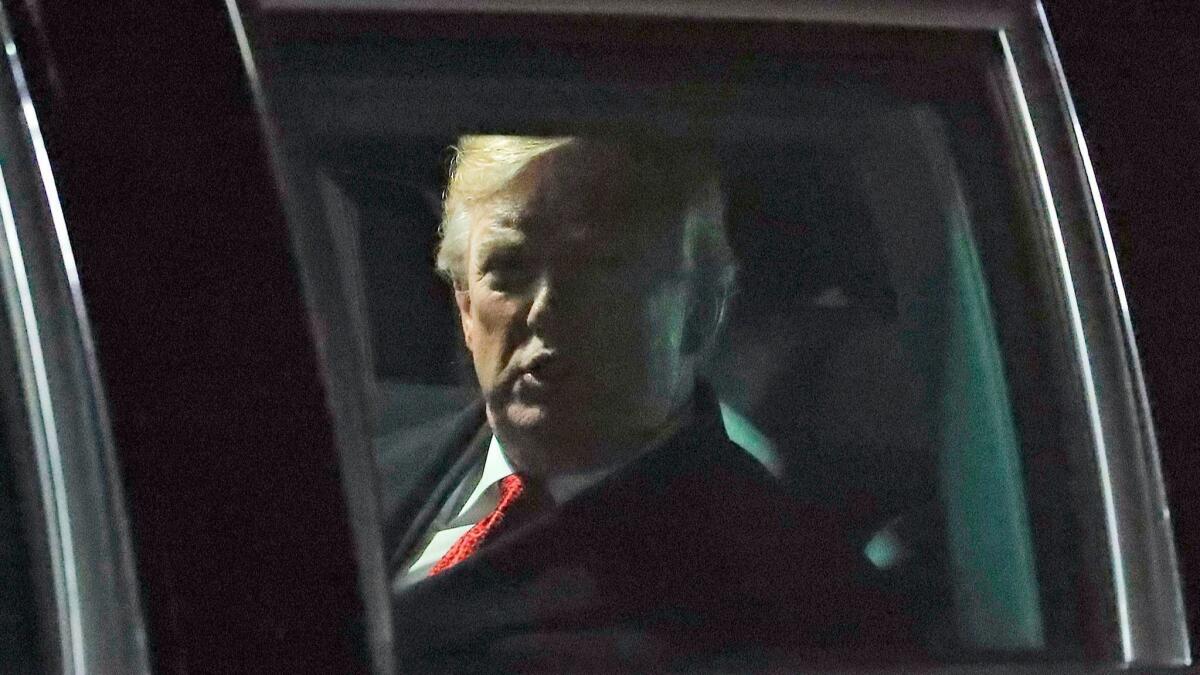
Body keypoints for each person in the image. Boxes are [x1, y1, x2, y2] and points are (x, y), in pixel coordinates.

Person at [379, 134, 918, 670]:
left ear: (703, 310)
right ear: (467, 308)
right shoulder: (355, 469)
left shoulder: (798, 602)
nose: (545, 310)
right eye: (510, 268)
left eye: (600, 270)